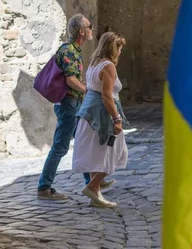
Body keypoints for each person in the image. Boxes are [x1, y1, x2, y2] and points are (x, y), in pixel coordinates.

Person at [37, 13, 101, 200]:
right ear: (81, 31)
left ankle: (92, 183)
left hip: (73, 103)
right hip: (69, 104)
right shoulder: (69, 51)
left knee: (83, 142)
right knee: (60, 146)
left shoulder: (74, 50)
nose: (91, 30)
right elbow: (70, 80)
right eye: (89, 27)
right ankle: (44, 187)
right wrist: (87, 90)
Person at [72, 31, 129, 208]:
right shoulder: (108, 66)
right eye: (119, 48)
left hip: (89, 113)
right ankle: (93, 186)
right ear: (114, 48)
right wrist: (116, 119)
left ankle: (94, 192)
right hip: (102, 114)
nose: (120, 52)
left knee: (95, 152)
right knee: (115, 151)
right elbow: (106, 96)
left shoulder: (93, 63)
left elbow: (89, 90)